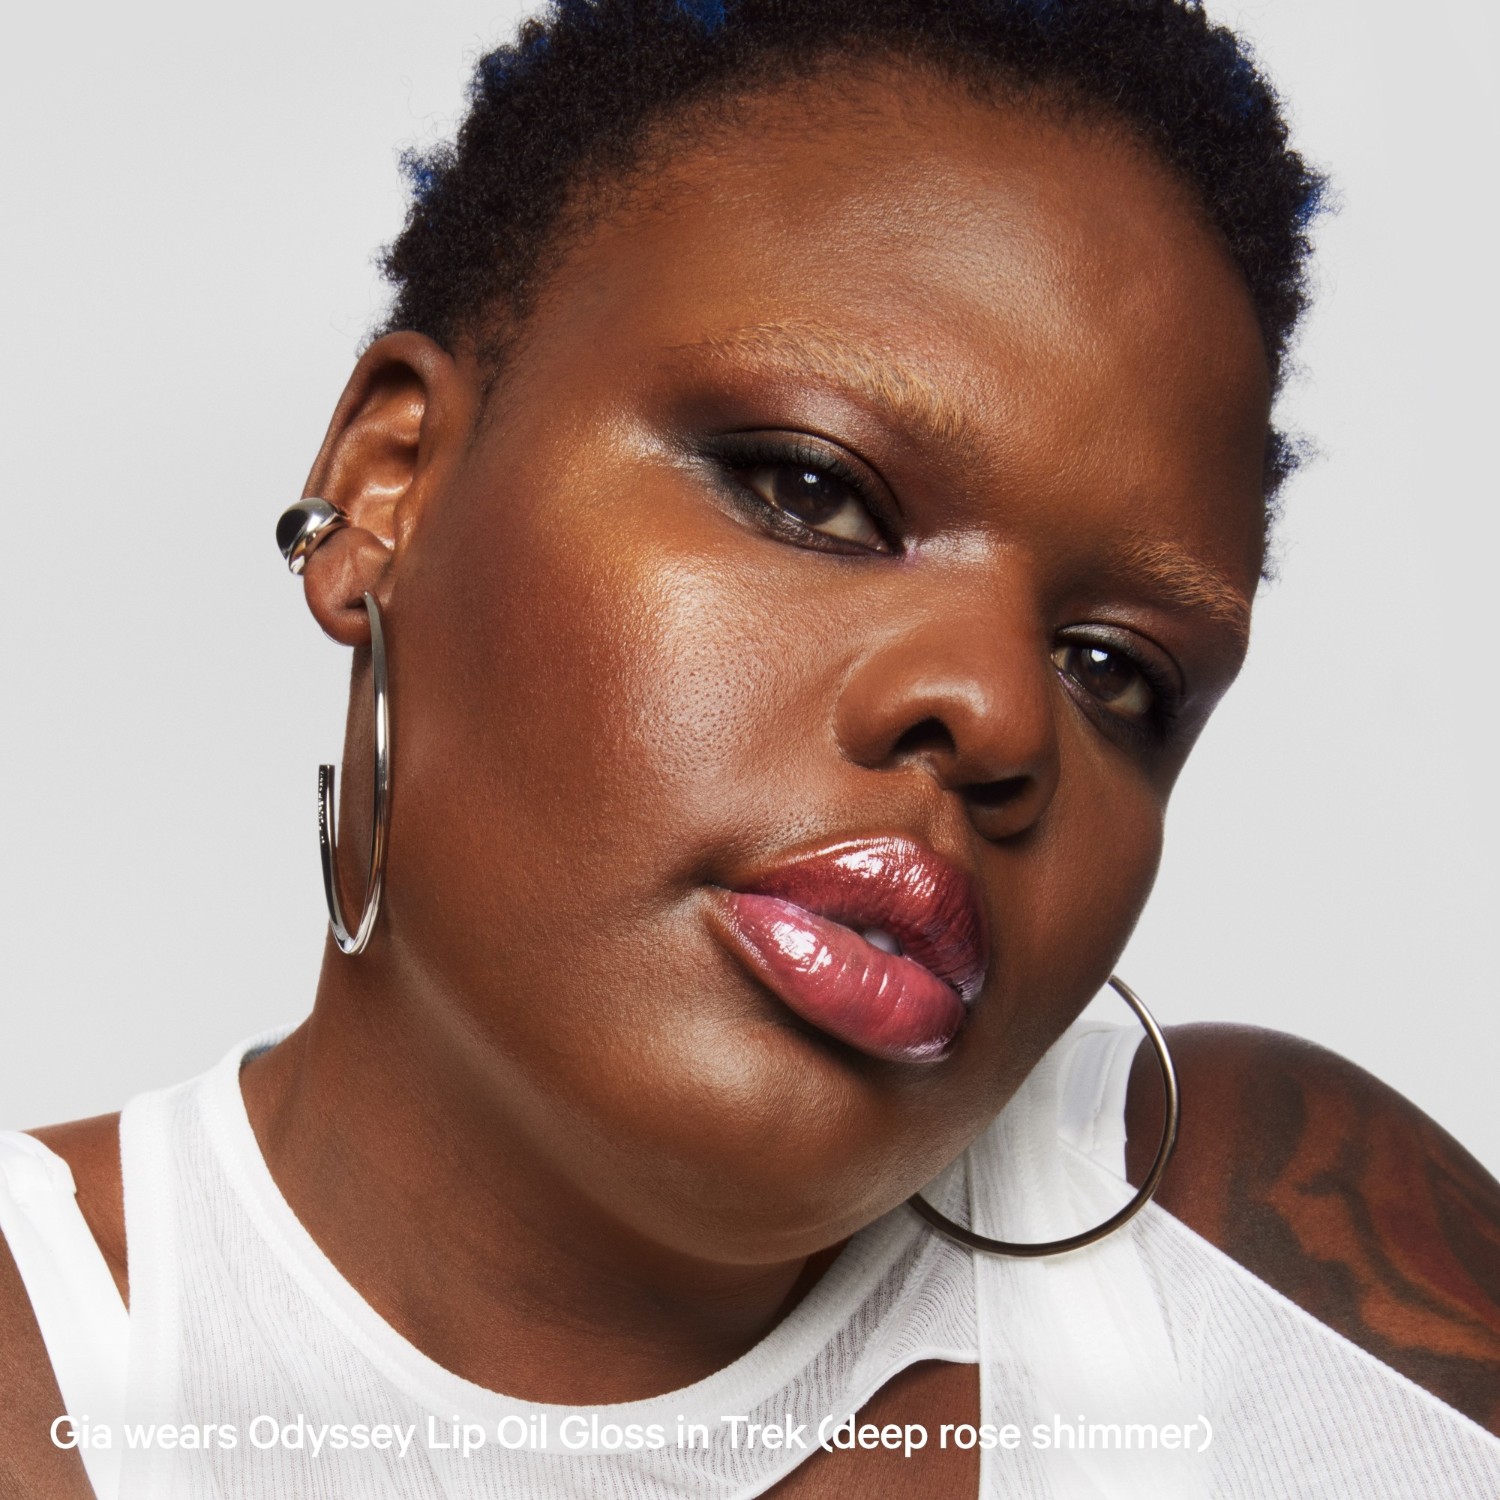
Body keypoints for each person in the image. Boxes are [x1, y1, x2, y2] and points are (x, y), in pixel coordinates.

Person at [2, 0, 1497, 1495]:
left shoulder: (1285, 1271)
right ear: (388, 487)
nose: (999, 716)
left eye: (1115, 671)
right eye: (810, 492)